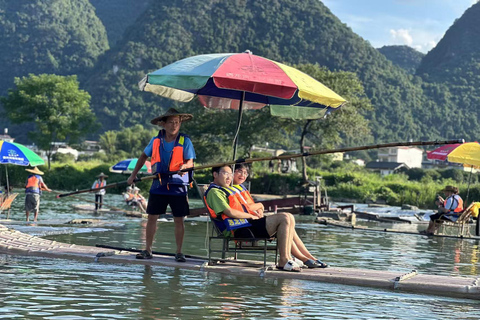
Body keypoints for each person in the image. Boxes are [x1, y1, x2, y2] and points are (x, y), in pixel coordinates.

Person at [205, 165, 325, 272]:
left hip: (248, 224)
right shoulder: (215, 192)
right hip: (240, 229)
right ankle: (284, 260)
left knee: (288, 217)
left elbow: (244, 207)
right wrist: (251, 215)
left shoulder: (229, 189)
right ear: (215, 175)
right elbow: (229, 211)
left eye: (231, 174)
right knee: (284, 217)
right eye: (226, 173)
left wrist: (256, 212)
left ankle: (301, 258)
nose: (229, 177)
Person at [127, 108, 195, 262]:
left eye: (177, 122)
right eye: (171, 122)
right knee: (152, 217)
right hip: (159, 184)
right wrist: (133, 175)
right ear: (163, 124)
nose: (174, 125)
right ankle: (148, 250)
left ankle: (179, 252)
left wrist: (185, 167)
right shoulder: (156, 141)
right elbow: (144, 156)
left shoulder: (185, 141)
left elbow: (190, 161)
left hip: (178, 186)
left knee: (179, 219)